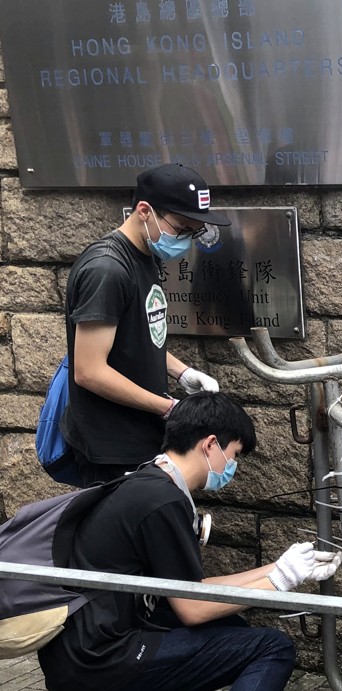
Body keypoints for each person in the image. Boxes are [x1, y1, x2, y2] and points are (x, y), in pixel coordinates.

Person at [38, 393, 342, 691]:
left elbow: (190, 589)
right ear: (211, 445)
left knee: (233, 632)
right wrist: (280, 582)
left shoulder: (149, 481)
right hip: (100, 665)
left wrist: (282, 567)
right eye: (234, 454)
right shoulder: (163, 501)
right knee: (271, 648)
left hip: (76, 658)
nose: (233, 466)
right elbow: (192, 608)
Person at [63, 163, 231, 487]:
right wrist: (169, 408)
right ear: (144, 210)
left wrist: (183, 372)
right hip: (111, 448)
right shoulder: (107, 270)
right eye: (182, 229)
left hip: (139, 436)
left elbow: (139, 335)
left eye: (193, 232)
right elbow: (89, 370)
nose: (185, 240)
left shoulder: (146, 255)